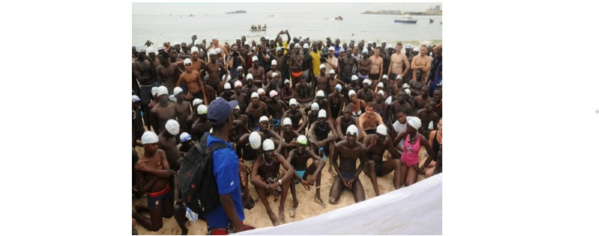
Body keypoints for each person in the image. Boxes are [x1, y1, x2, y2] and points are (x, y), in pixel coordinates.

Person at [133, 131, 175, 231]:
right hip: (154, 195)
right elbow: (141, 191)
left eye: (157, 144)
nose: (156, 146)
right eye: (153, 144)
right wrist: (159, 173)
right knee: (156, 227)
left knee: (169, 215)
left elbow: (168, 173)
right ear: (145, 145)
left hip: (166, 190)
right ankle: (134, 213)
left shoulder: (160, 153)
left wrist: (149, 170)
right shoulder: (140, 165)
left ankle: (143, 208)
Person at [250, 139, 295, 226]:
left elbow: (291, 170)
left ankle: (281, 207)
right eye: (267, 152)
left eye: (271, 151)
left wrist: (278, 183)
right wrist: (267, 186)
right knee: (257, 179)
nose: (269, 154)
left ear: (274, 151)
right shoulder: (259, 160)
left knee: (286, 175)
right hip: (265, 186)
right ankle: (269, 211)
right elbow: (252, 178)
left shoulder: (277, 157)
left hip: (276, 183)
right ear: (263, 151)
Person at [287, 135, 326, 212]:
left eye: (303, 146)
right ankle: (295, 200)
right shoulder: (292, 152)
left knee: (317, 163)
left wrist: (314, 175)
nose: (300, 147)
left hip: (305, 173)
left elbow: (322, 161)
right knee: (290, 169)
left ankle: (317, 196)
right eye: (299, 145)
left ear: (305, 146)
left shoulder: (307, 152)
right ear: (296, 144)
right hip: (295, 175)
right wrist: (300, 179)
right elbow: (287, 165)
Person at [393, 116, 436, 187]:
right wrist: (401, 138)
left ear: (414, 129)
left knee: (409, 185)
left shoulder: (422, 139)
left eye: (408, 126)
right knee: (398, 182)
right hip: (403, 161)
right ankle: (404, 171)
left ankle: (408, 172)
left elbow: (431, 154)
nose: (406, 127)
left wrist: (422, 167)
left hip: (413, 164)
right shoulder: (405, 133)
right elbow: (394, 144)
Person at [329, 125, 366, 204]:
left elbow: (362, 164)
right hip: (341, 174)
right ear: (346, 136)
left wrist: (354, 178)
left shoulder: (361, 148)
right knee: (332, 200)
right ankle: (341, 184)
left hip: (353, 175)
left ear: (357, 137)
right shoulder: (339, 146)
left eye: (353, 136)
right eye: (349, 136)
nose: (351, 138)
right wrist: (342, 178)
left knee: (361, 202)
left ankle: (349, 184)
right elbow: (334, 161)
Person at [362, 125, 402, 196]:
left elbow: (398, 157)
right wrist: (371, 145)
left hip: (380, 166)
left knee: (397, 162)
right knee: (372, 163)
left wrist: (390, 146)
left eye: (383, 137)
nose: (381, 139)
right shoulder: (368, 138)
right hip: (368, 167)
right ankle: (377, 193)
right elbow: (361, 154)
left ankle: (397, 189)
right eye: (379, 137)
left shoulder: (385, 141)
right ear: (376, 134)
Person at [308, 109, 338, 174]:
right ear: (318, 118)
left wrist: (325, 141)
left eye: (323, 119)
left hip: (324, 143)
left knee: (331, 142)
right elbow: (309, 134)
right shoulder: (315, 124)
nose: (321, 120)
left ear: (326, 119)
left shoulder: (329, 124)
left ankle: (330, 167)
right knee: (312, 143)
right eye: (320, 119)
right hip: (317, 144)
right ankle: (315, 165)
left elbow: (336, 135)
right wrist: (317, 143)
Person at [133, 48, 157, 119]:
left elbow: (154, 73)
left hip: (152, 85)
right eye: (142, 53)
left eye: (144, 53)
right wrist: (151, 76)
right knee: (146, 107)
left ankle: (155, 119)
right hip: (144, 87)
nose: (143, 55)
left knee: (156, 103)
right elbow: (140, 79)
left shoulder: (147, 61)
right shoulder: (135, 64)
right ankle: (148, 124)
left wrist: (151, 61)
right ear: (138, 53)